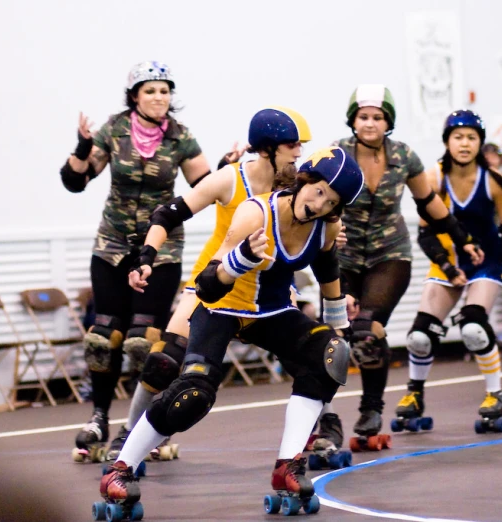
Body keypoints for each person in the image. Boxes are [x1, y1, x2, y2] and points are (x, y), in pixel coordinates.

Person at [99, 146, 364, 513]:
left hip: (272, 312)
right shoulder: (256, 212)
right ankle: (120, 469)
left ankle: (288, 465)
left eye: (331, 202)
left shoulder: (326, 227)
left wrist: (342, 329)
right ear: (304, 180)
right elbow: (208, 286)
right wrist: (243, 259)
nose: (319, 205)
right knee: (193, 394)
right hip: (221, 306)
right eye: (318, 192)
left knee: (330, 354)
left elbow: (329, 277)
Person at [102, 107, 311, 461]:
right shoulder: (230, 179)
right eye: (292, 145)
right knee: (163, 362)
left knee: (313, 358)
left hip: (266, 290)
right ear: (266, 148)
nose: (299, 152)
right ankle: (128, 435)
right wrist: (147, 257)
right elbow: (167, 214)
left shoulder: (298, 185)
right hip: (216, 285)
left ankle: (320, 430)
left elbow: (321, 224)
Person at [59, 61, 211, 457]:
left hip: (160, 248)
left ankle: (144, 425)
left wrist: (233, 166)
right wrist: (80, 147)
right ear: (134, 96)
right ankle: (98, 418)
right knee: (102, 335)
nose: (159, 98)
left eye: (165, 91)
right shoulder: (114, 130)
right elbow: (76, 181)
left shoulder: (180, 137)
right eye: (151, 91)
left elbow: (204, 184)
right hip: (112, 246)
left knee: (144, 341)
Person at [332, 84, 484, 442]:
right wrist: (325, 227)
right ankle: (324, 418)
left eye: (378, 117)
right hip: (343, 257)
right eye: (363, 116)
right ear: (353, 120)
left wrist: (463, 239)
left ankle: (371, 409)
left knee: (368, 329)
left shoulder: (404, 156)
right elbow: (308, 196)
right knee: (339, 336)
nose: (370, 123)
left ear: (389, 122)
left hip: (390, 255)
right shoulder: (336, 154)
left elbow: (429, 202)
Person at [393, 110, 502, 430]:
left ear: (480, 143)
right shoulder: (434, 178)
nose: (464, 144)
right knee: (420, 336)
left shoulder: (495, 182)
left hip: (486, 262)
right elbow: (425, 233)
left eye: (471, 138)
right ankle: (414, 394)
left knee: (473, 328)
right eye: (458, 137)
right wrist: (448, 267)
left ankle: (495, 393)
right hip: (448, 262)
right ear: (446, 141)